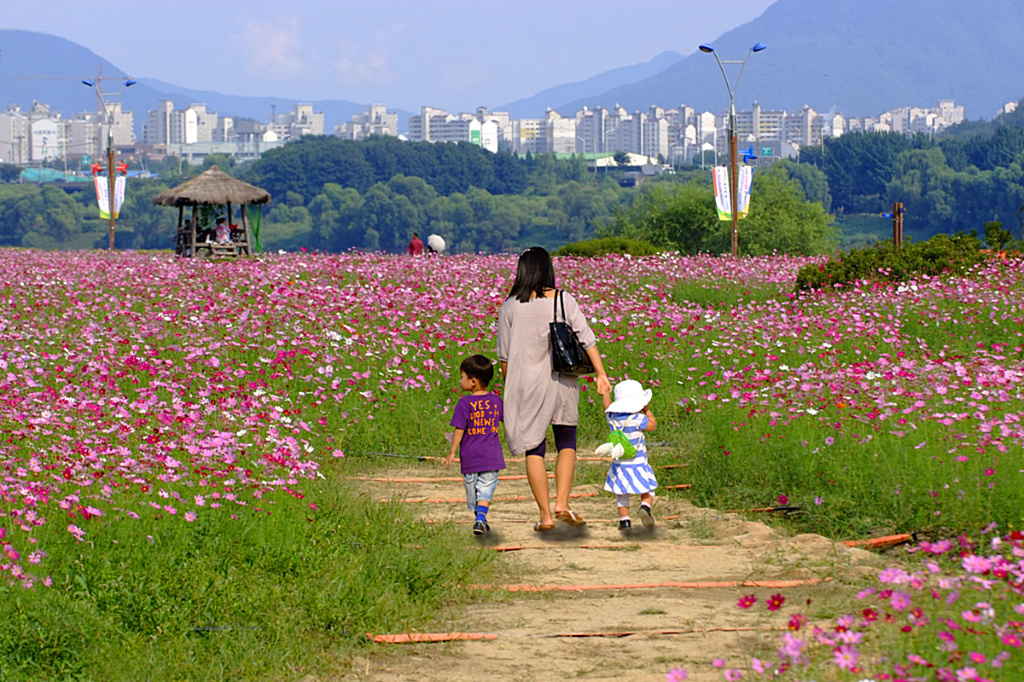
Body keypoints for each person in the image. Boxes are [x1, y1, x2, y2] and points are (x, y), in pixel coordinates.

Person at [497, 247, 611, 532]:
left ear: (522, 270)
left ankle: (546, 516)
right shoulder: (563, 299)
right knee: (566, 441)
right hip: (562, 381)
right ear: (548, 268)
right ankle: (562, 502)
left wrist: (509, 390)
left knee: (533, 447)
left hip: (526, 385)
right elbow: (587, 339)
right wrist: (601, 373)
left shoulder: (509, 306)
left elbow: (504, 358)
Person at [444, 354, 506, 535]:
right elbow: (508, 423)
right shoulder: (496, 401)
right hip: (491, 456)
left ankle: (479, 519)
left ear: (473, 381)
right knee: (483, 491)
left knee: (476, 492)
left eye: (462, 377)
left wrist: (452, 452)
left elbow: (459, 429)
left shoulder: (464, 403)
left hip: (471, 457)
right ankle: (481, 519)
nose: (460, 380)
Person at [600, 379, 658, 530]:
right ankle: (645, 507)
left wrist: (606, 392)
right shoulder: (639, 418)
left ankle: (624, 521)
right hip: (638, 464)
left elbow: (606, 407)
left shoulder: (612, 418)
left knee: (622, 494)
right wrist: (647, 410)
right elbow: (653, 426)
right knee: (649, 488)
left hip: (619, 465)